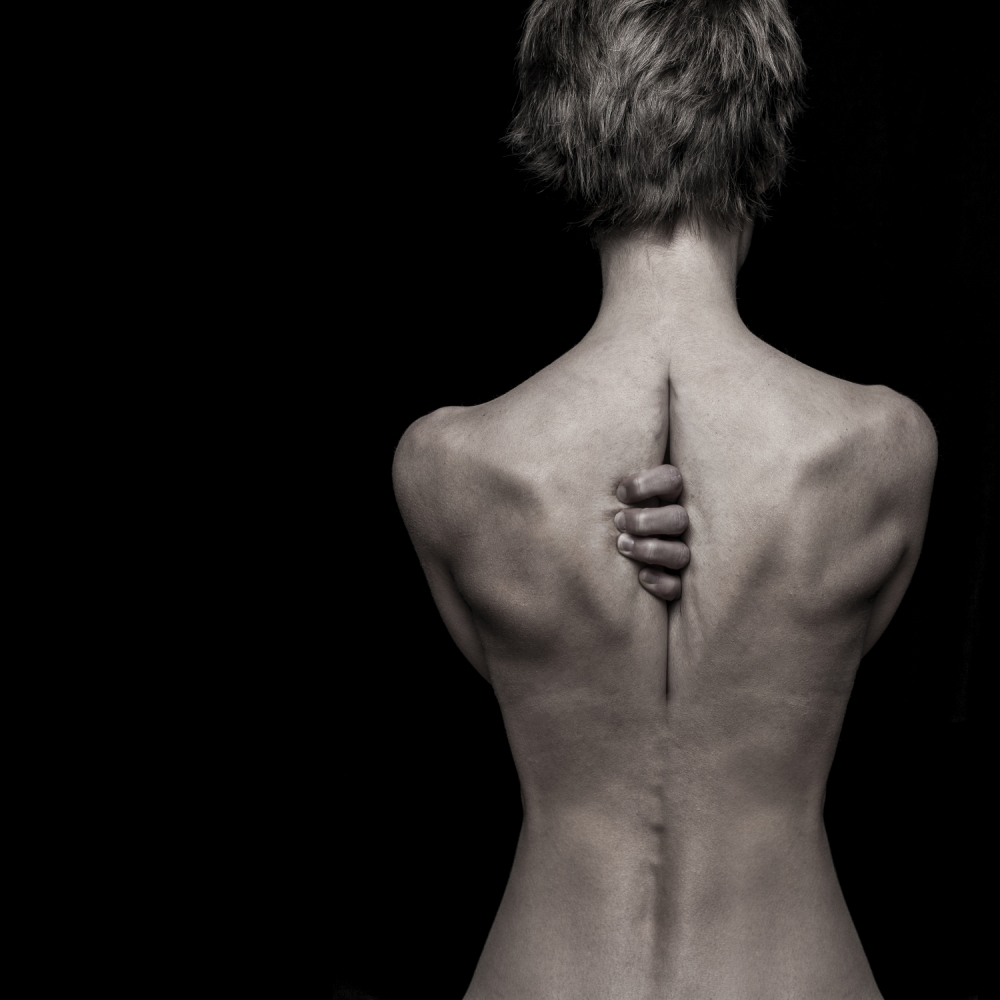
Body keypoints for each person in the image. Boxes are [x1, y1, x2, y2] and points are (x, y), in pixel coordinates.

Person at [392, 1, 937, 997]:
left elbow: (497, 660)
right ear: (761, 132)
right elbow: (850, 642)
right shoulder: (884, 449)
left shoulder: (447, 465)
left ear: (563, 136)